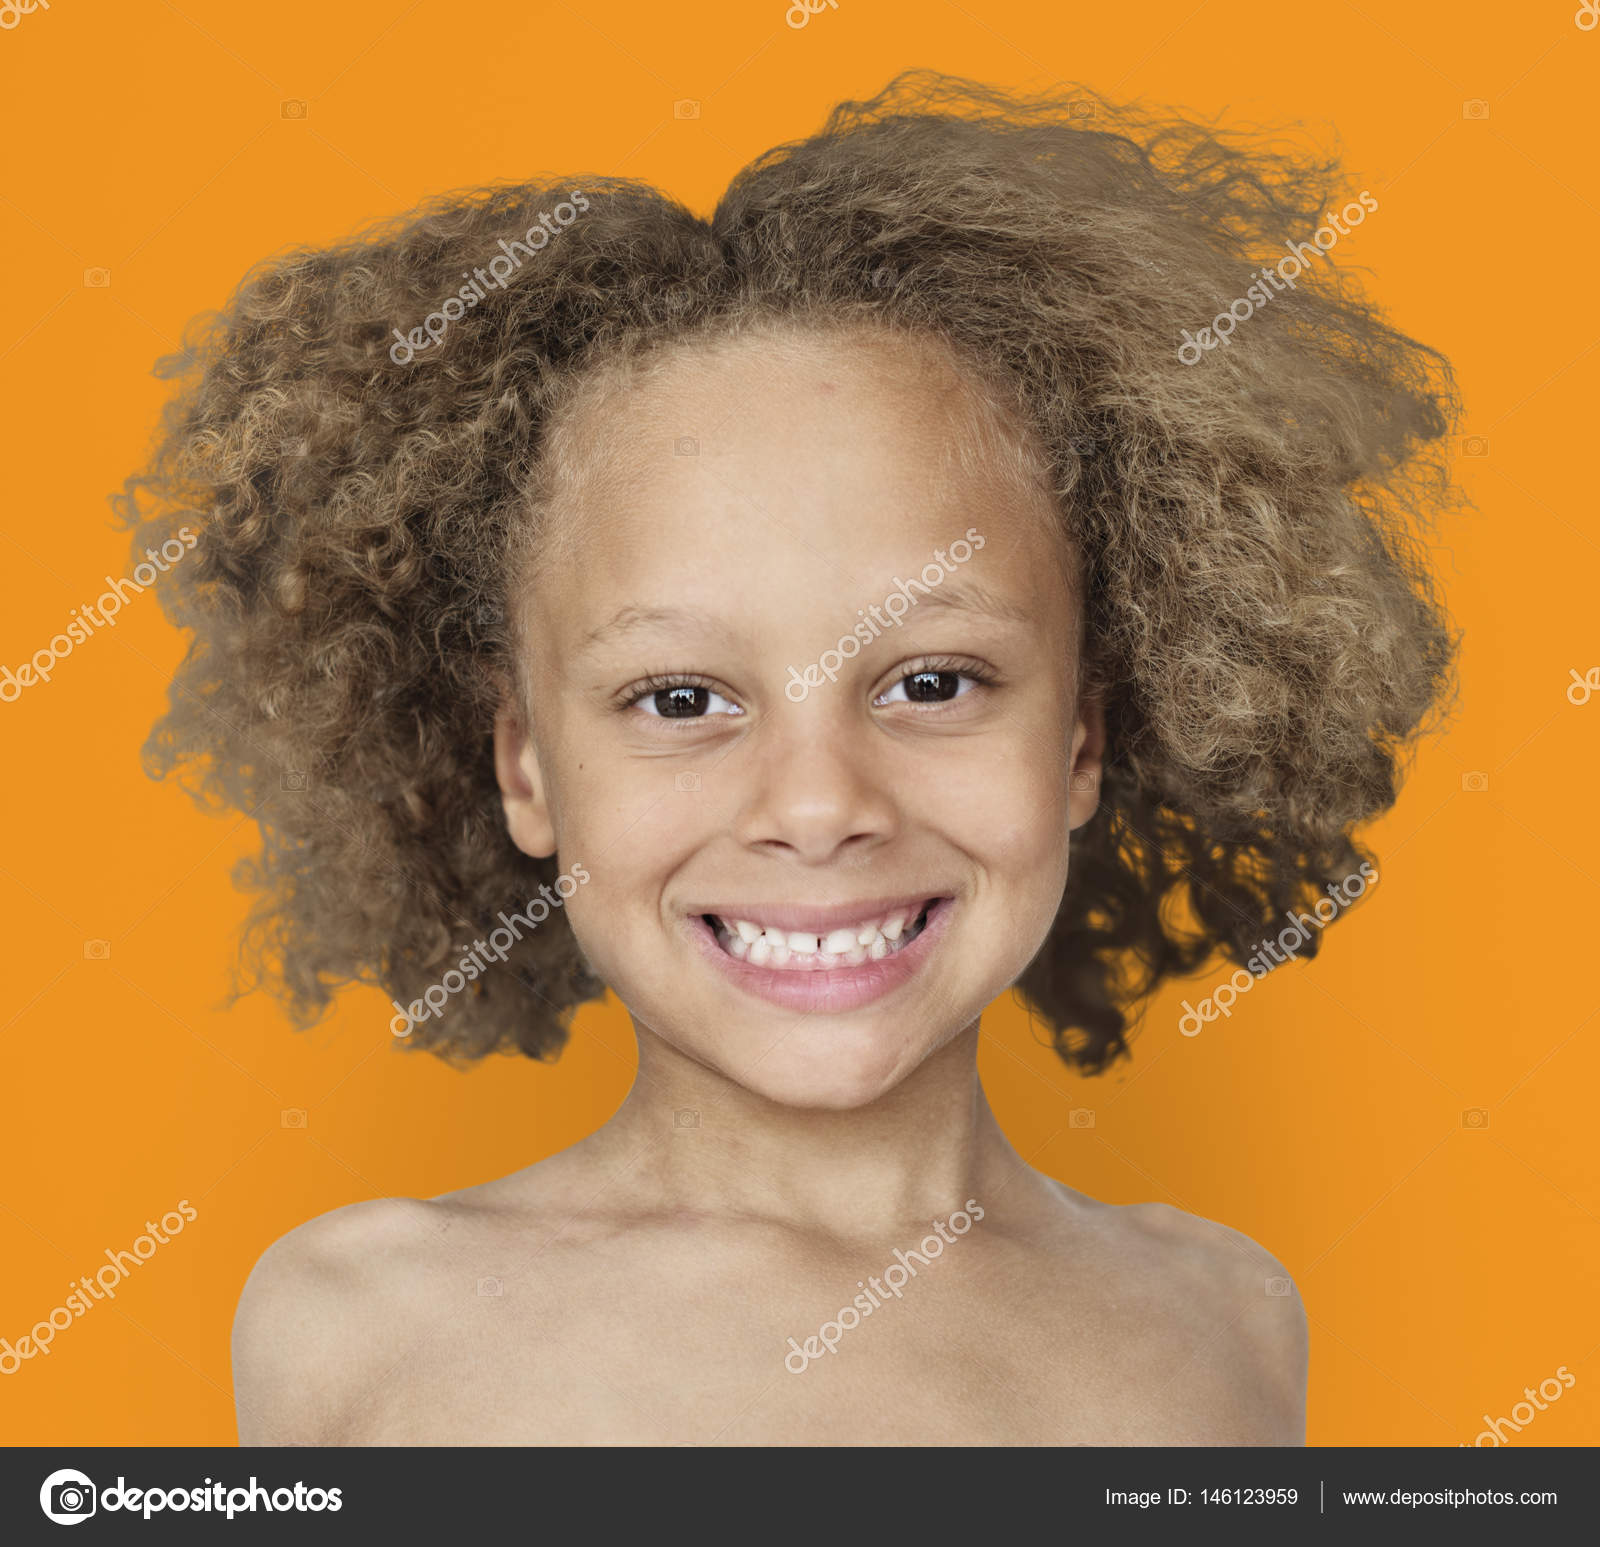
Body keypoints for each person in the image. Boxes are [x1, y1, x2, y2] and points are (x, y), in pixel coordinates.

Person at [119, 71, 1461, 1444]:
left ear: (1083, 738)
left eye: (933, 681)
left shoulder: (1227, 1322)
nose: (818, 806)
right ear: (525, 767)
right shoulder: (360, 1330)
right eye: (682, 697)